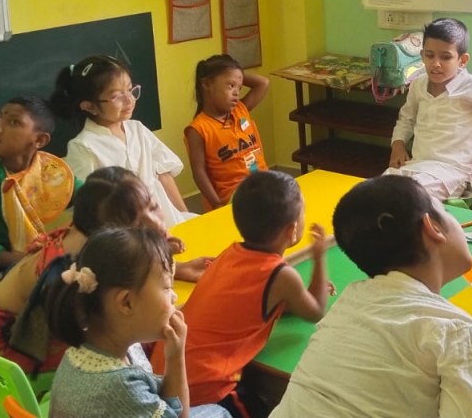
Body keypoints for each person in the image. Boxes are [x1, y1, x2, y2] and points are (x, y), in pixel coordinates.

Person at [271, 175, 472, 418]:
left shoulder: (347, 304)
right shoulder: (460, 331)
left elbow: (401, 363)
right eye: (446, 212)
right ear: (433, 227)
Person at [159, 171, 330, 417]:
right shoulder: (281, 275)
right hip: (203, 387)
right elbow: (316, 311)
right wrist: (319, 256)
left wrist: (295, 297)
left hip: (166, 369)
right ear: (292, 230)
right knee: (261, 408)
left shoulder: (230, 253)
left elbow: (251, 303)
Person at [44, 227, 230, 418]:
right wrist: (176, 356)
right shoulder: (122, 387)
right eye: (167, 288)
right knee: (220, 413)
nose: (174, 297)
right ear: (126, 303)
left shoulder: (81, 348)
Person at [0, 166, 138, 374]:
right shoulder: (67, 268)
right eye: (146, 212)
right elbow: (74, 324)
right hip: (8, 344)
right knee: (123, 338)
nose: (155, 218)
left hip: (8, 322)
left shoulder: (80, 232)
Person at [52, 54, 195, 228]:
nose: (129, 99)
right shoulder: (83, 146)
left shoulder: (137, 129)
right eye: (117, 96)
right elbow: (88, 206)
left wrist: (185, 216)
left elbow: (164, 175)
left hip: (163, 214)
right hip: (125, 225)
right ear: (90, 106)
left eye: (129, 90)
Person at [0, 96, 77, 277]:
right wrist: (22, 260)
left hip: (42, 263)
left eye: (14, 122)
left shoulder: (51, 172)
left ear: (40, 140)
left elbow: (90, 194)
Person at [386, 18, 472, 200]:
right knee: (378, 191)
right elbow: (406, 118)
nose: (436, 63)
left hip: (453, 173)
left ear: (462, 60)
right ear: (422, 56)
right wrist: (397, 145)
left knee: (409, 197)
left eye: (445, 57)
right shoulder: (418, 85)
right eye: (430, 55)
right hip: (416, 166)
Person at [185, 54, 270, 209]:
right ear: (207, 83)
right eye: (231, 86)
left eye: (239, 87)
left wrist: (236, 74)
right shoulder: (198, 129)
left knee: (293, 198)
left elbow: (263, 83)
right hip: (236, 194)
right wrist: (217, 205)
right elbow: (199, 173)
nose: (237, 92)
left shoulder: (240, 110)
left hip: (264, 182)